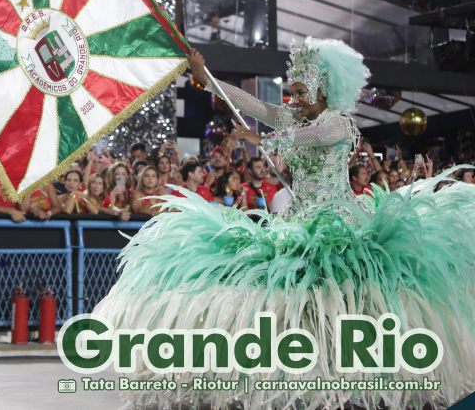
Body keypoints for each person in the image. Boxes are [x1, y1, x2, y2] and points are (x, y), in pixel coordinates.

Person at [93, 40, 475, 408]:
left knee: (342, 300)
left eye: (300, 91)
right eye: (291, 92)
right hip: (298, 221)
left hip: (336, 224)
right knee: (291, 302)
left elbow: (312, 137)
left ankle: (360, 375)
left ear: (323, 90)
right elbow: (252, 103)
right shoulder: (294, 115)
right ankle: (295, 377)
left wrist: (264, 140)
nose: (293, 99)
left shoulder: (338, 123)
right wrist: (206, 77)